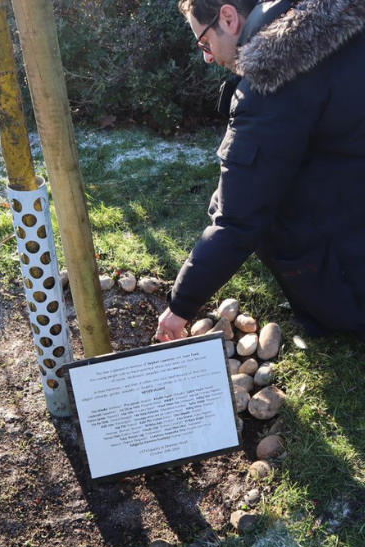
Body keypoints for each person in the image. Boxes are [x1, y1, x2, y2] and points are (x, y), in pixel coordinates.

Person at [155, 0, 365, 343]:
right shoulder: (340, 24)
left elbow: (238, 220)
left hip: (352, 258)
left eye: (205, 43)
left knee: (259, 212)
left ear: (228, 17)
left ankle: (342, 313)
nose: (207, 57)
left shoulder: (272, 82)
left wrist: (180, 306)